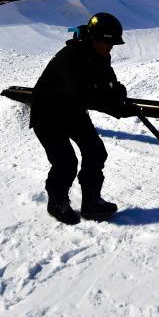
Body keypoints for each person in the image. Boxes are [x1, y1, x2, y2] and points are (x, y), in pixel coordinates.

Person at [30, 12, 135, 225]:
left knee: (95, 151)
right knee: (66, 161)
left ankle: (91, 202)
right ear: (94, 38)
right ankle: (57, 202)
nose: (111, 48)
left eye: (113, 44)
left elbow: (108, 83)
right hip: (47, 114)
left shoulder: (101, 55)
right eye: (108, 43)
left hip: (72, 111)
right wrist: (115, 108)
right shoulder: (70, 57)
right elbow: (85, 95)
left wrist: (118, 94)